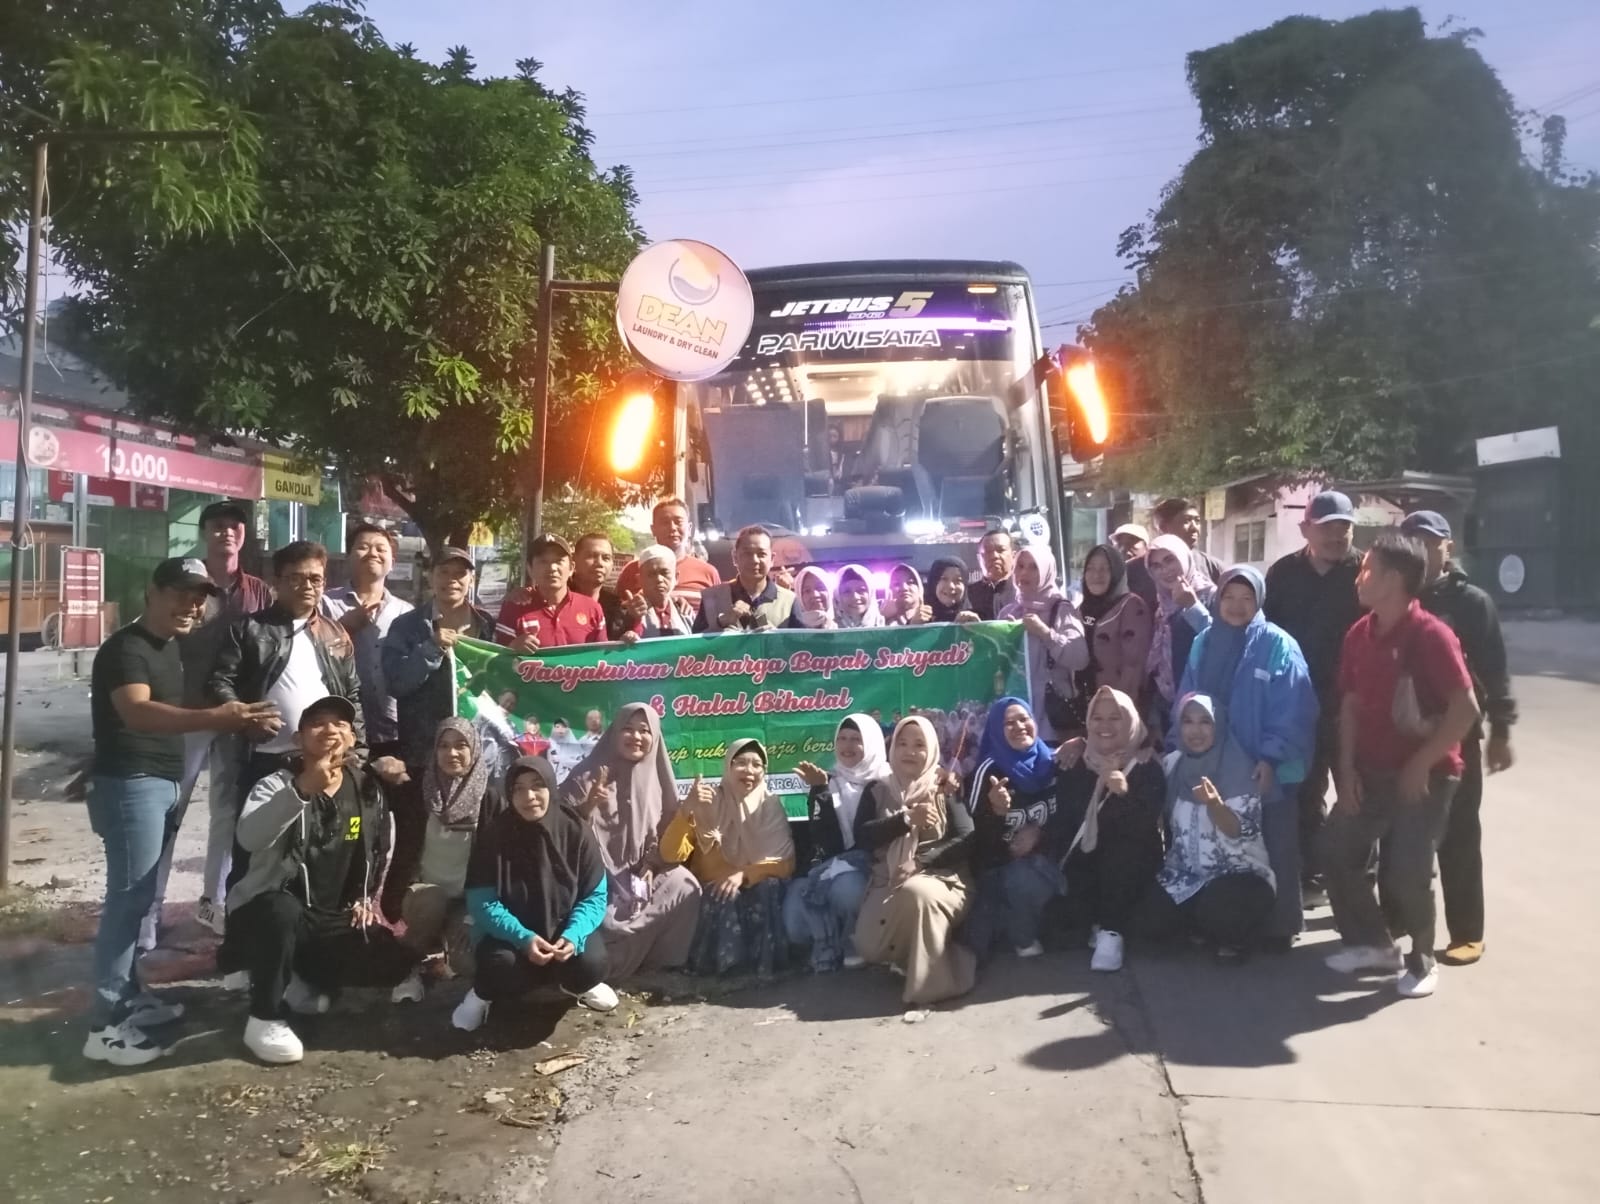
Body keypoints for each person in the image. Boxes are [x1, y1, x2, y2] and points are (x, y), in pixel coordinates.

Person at [83, 559, 277, 1066]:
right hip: (132, 785)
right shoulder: (126, 648)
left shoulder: (167, 646)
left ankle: (128, 996)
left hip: (159, 783)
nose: (191, 605)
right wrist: (217, 717)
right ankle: (105, 1026)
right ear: (152, 592)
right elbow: (137, 711)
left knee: (139, 896)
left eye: (199, 597)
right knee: (128, 901)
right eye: (181, 594)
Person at [1320, 533, 1479, 999]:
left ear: (1393, 579)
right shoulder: (1359, 633)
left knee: (1408, 871)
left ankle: (1422, 960)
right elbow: (1350, 705)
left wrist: (1421, 763)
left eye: (1367, 569)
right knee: (1334, 849)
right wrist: (1346, 770)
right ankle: (1373, 944)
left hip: (1427, 777)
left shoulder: (1431, 635)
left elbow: (1465, 709)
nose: (1359, 577)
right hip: (1369, 771)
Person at [225, 696, 415, 1064]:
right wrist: (302, 789)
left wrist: (364, 898)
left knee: (394, 960)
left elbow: (377, 849)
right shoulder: (275, 784)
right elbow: (249, 837)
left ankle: (300, 979)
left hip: (326, 918)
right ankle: (263, 1017)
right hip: (269, 916)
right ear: (298, 739)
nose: (330, 730)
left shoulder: (366, 788)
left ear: (352, 738)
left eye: (340, 724)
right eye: (318, 723)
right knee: (281, 910)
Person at [209, 541, 372, 886]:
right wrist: (245, 718)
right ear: (277, 582)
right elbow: (220, 681)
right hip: (267, 761)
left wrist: (358, 750)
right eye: (296, 578)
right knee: (254, 854)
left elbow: (352, 695)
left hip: (325, 762)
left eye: (315, 579)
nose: (307, 586)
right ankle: (244, 916)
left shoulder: (335, 633)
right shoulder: (248, 629)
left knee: (320, 850)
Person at [1176, 565, 1318, 945]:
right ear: (1217, 598)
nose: (1236, 605)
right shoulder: (1204, 642)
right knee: (1226, 845)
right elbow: (1188, 697)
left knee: (1276, 843)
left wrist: (1271, 757)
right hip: (1218, 766)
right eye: (1229, 597)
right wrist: (1184, 749)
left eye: (1246, 598)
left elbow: (1294, 709)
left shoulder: (1277, 644)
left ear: (1259, 602)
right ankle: (1230, 925)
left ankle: (1281, 927)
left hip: (1265, 767)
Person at [1400, 510, 1516, 965]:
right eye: (1412, 541)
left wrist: (1501, 730)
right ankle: (1397, 920)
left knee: (1459, 833)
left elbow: (1495, 671)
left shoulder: (1472, 603)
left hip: (1456, 734)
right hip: (1400, 735)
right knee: (1398, 832)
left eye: (1430, 542)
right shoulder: (1392, 595)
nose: (1421, 550)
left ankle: (1467, 932)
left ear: (1447, 546)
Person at [156, 501, 273, 945]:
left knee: (227, 812)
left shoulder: (259, 592)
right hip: (187, 713)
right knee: (170, 810)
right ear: (205, 532)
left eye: (234, 527)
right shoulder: (189, 584)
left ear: (243, 536)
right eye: (218, 526)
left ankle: (213, 902)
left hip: (236, 716)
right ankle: (150, 908)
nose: (227, 533)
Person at [451, 756, 618, 1031]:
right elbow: (482, 901)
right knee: (499, 965)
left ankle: (572, 986)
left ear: (551, 787)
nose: (529, 796)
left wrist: (573, 935)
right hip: (510, 939)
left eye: (537, 785)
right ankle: (481, 995)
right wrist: (523, 938)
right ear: (509, 793)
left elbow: (594, 895)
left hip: (563, 931)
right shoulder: (495, 836)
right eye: (518, 788)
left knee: (592, 964)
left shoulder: (575, 829)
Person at [380, 546, 496, 913]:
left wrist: (520, 655)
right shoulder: (407, 627)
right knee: (414, 842)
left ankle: (462, 919)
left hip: (474, 758)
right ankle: (397, 920)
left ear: (471, 579)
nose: (452, 580)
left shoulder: (487, 626)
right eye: (444, 572)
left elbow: (501, 684)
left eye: (460, 573)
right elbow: (397, 682)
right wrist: (431, 648)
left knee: (471, 843)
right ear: (431, 576)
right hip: (423, 754)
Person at [1263, 489, 1363, 906]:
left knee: (1358, 794)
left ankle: (1358, 882)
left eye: (1344, 528)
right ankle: (1310, 877)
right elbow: (1265, 635)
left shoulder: (1365, 573)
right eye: (1327, 528)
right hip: (1299, 705)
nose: (1337, 537)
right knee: (1304, 791)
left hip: (1353, 706)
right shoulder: (1283, 574)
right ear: (1306, 529)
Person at [560, 703, 703, 980]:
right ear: (614, 733)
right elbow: (558, 833)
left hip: (643, 873)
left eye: (644, 731)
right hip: (594, 878)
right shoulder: (585, 777)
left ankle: (659, 968)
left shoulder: (659, 779)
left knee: (684, 886)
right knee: (599, 921)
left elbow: (668, 836)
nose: (636, 737)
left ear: (654, 737)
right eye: (628, 729)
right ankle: (597, 970)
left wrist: (652, 864)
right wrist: (586, 807)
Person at [852, 716, 976, 1021]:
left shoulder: (945, 786)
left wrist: (921, 861)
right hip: (888, 879)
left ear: (931, 749)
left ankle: (928, 990)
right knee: (869, 946)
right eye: (903, 743)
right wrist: (906, 819)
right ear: (892, 747)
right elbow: (863, 835)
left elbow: (967, 838)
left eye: (919, 744)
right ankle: (943, 957)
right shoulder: (878, 789)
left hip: (943, 879)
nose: (909, 751)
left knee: (917, 893)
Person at [1136, 693, 1276, 959]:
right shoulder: (1174, 764)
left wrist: (1214, 804)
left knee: (1220, 910)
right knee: (1148, 921)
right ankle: (1198, 926)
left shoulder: (1240, 768)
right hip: (1186, 875)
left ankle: (1235, 938)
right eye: (1188, 721)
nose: (1195, 731)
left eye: (1205, 722)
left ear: (1218, 725)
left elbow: (1239, 832)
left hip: (1238, 874)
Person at [1053, 686, 1165, 973]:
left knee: (1121, 852)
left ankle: (1111, 931)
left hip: (1130, 868)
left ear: (1130, 721)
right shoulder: (1076, 761)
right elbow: (1065, 822)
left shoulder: (1145, 765)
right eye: (1097, 718)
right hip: (1086, 867)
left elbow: (1143, 826)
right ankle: (1096, 921)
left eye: (1115, 718)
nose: (1105, 726)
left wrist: (1122, 792)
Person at [390, 719, 500, 1003]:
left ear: (474, 749)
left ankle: (440, 957)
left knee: (469, 964)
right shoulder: (417, 791)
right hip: (423, 893)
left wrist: (479, 908)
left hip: (467, 898)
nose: (452, 753)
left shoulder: (490, 799)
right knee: (432, 900)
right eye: (444, 746)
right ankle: (408, 969)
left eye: (461, 745)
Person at [665, 740, 795, 976]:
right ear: (728, 766)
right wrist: (686, 809)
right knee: (724, 893)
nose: (749, 770)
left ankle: (766, 965)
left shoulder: (770, 805)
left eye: (757, 764)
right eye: (741, 763)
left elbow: (785, 864)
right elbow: (670, 853)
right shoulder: (707, 803)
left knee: (769, 887)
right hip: (713, 888)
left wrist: (743, 874)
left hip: (755, 883)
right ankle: (726, 968)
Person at [963, 698, 1065, 960]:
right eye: (1008, 723)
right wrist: (996, 814)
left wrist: (1038, 834)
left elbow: (1073, 816)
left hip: (1051, 862)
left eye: (1024, 718)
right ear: (996, 730)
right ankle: (1020, 933)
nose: (1019, 726)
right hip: (1001, 870)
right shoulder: (988, 772)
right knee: (976, 943)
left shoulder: (1056, 761)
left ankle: (1027, 929)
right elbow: (972, 839)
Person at [786, 715, 889, 972]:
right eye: (842, 738)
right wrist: (820, 791)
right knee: (794, 921)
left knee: (847, 890)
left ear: (871, 743)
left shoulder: (886, 781)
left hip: (873, 866)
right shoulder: (829, 780)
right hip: (832, 864)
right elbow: (825, 842)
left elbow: (869, 839)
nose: (847, 746)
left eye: (856, 739)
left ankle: (855, 938)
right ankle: (831, 938)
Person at [321, 523, 412, 759]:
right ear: (348, 557)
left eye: (381, 549)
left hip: (394, 729)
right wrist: (344, 627)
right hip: (338, 727)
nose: (372, 553)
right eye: (363, 547)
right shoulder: (324, 604)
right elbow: (310, 655)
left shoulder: (406, 612)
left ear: (392, 562)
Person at [998, 545, 1089, 743]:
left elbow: (1080, 657)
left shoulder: (1061, 609)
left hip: (1051, 722)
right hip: (1017, 723)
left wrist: (1045, 633)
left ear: (1047, 572)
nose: (1024, 573)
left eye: (1034, 567)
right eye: (1020, 566)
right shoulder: (1009, 612)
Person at [1144, 534, 1216, 732]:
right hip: (1169, 706)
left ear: (1183, 557)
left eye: (1170, 560)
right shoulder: (1162, 604)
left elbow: (1222, 644)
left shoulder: (1212, 596)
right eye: (1156, 566)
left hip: (1203, 708)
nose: (1165, 570)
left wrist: (1192, 607)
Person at [496, 533, 605, 651]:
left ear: (571, 568)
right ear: (530, 569)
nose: (552, 568)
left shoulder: (592, 609)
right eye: (543, 561)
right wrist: (512, 648)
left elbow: (602, 657)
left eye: (559, 561)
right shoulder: (513, 608)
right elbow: (495, 658)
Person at [614, 497, 722, 616]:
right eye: (665, 522)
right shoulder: (632, 570)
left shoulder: (708, 573)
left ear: (689, 528)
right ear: (653, 529)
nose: (672, 527)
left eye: (678, 522)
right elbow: (616, 617)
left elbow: (719, 617)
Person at [1076, 543, 1154, 705]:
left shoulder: (1131, 606)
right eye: (1090, 568)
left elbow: (1133, 666)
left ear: (1117, 572)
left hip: (1114, 706)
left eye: (1105, 569)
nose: (1097, 575)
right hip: (1083, 703)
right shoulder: (1081, 608)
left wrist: (1115, 707)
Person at [694, 525, 795, 632]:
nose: (754, 560)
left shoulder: (789, 600)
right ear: (735, 557)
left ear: (772, 559)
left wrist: (775, 636)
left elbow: (801, 641)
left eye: (761, 554)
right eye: (747, 554)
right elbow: (694, 640)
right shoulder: (712, 598)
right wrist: (720, 622)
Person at [570, 531, 646, 640]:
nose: (599, 563)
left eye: (606, 558)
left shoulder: (616, 606)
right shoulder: (557, 600)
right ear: (573, 560)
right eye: (591, 556)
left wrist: (635, 620)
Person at [1151, 497, 1223, 583]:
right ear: (1164, 528)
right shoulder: (1140, 569)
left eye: (1197, 521)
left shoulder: (1214, 567)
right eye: (1186, 521)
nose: (1194, 527)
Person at [630, 544, 695, 637]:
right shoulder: (630, 613)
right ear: (639, 580)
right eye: (651, 574)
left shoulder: (684, 611)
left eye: (664, 573)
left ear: (676, 578)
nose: (659, 579)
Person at [967, 529, 1018, 620]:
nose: (994, 556)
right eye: (988, 551)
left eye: (1001, 550)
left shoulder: (1024, 591)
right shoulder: (968, 594)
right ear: (979, 558)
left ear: (1014, 556)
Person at [926, 557, 980, 623]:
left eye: (958, 580)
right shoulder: (920, 619)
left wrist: (977, 626)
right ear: (933, 583)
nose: (951, 586)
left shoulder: (975, 617)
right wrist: (916, 625)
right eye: (944, 578)